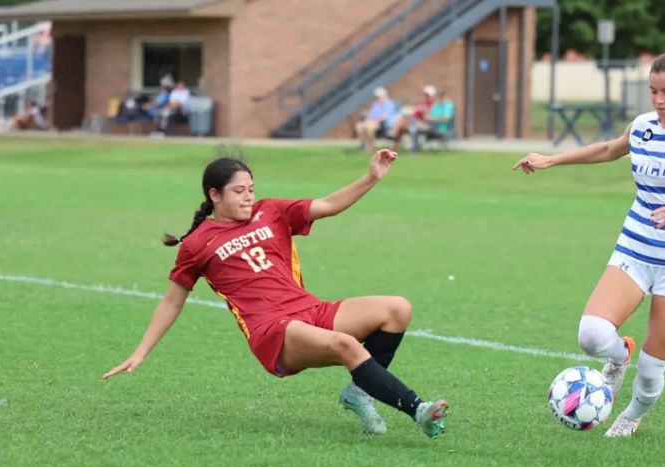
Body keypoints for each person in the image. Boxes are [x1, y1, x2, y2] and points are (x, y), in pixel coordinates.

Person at [103, 149, 449, 438]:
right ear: (214, 195)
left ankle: (358, 394)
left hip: (310, 310)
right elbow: (172, 301)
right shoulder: (197, 244)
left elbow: (327, 205)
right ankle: (418, 409)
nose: (248, 196)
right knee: (346, 345)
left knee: (397, 309)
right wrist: (141, 352)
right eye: (239, 191)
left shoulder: (271, 211)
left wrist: (371, 176)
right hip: (273, 331)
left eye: (251, 188)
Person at [512, 46, 665, 437]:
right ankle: (620, 356)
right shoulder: (642, 126)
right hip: (635, 250)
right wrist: (552, 159)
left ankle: (631, 414)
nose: (658, 100)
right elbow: (607, 150)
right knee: (591, 335)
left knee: (651, 375)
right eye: (653, 91)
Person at [390, 84, 436, 150]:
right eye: (425, 94)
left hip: (424, 124)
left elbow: (428, 117)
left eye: (427, 95)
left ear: (431, 95)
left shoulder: (433, 104)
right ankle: (394, 147)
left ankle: (394, 144)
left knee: (401, 125)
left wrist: (422, 111)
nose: (425, 96)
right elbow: (415, 112)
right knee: (401, 124)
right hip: (415, 122)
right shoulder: (423, 103)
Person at [355, 86, 399, 152]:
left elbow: (385, 117)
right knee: (359, 126)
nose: (378, 98)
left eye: (379, 97)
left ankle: (371, 145)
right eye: (377, 97)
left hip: (383, 124)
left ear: (385, 95)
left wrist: (374, 121)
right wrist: (367, 119)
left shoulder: (389, 104)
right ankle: (364, 144)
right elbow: (371, 115)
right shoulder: (376, 104)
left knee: (369, 126)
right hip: (372, 121)